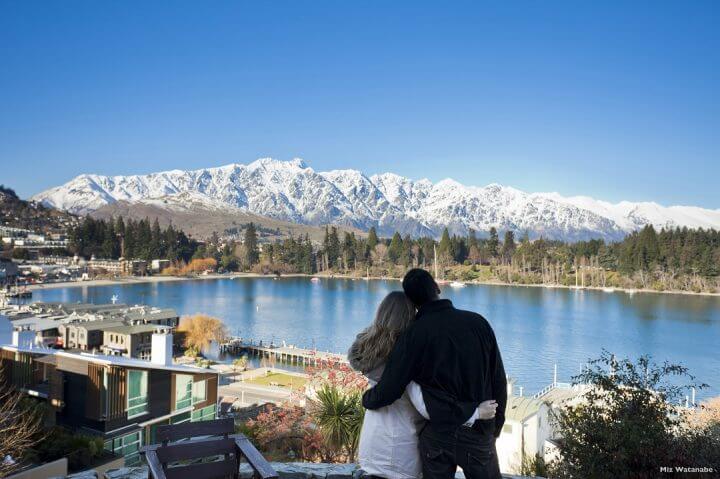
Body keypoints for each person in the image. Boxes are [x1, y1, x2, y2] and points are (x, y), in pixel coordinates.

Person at [362, 269, 507, 479]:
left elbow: (391, 386)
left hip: (438, 436)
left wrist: (368, 399)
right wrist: (495, 427)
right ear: (437, 288)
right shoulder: (478, 323)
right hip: (478, 434)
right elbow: (498, 380)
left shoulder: (414, 334)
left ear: (411, 301)